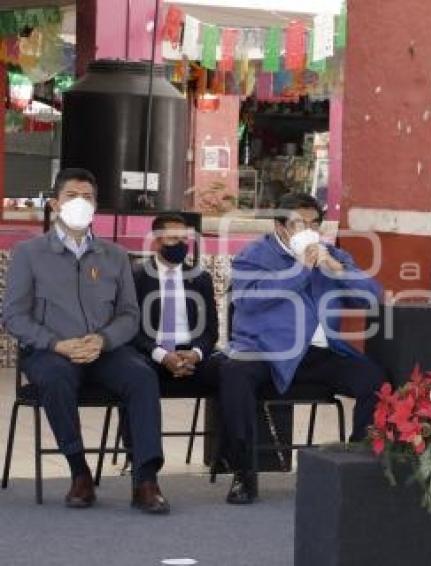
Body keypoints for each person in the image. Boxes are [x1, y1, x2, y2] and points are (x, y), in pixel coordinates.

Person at [2, 168, 169, 513]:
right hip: (52, 351)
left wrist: (104, 340)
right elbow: (14, 316)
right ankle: (79, 472)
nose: (80, 203)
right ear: (54, 204)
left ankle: (146, 479)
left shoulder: (115, 256)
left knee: (142, 376)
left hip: (104, 350)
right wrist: (55, 344)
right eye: (71, 197)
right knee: (55, 378)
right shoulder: (29, 254)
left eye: (88, 197)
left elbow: (129, 315)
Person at [217, 193, 385, 504]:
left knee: (374, 380)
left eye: (314, 224)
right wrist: (300, 271)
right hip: (267, 352)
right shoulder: (254, 256)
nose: (308, 230)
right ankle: (243, 472)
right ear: (280, 227)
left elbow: (373, 298)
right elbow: (248, 299)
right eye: (298, 223)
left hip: (319, 354)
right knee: (234, 374)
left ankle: (357, 468)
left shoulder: (332, 255)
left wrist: (338, 270)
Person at [131, 213, 219, 392]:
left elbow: (211, 330)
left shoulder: (200, 279)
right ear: (156, 242)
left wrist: (196, 354)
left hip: (191, 354)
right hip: (150, 354)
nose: (180, 244)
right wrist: (162, 356)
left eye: (184, 239)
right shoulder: (136, 277)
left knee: (232, 372)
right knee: (135, 375)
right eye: (173, 239)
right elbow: (131, 328)